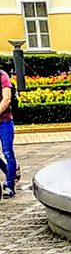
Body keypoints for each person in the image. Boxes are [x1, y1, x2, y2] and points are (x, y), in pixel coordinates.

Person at [0, 68, 17, 198]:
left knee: (8, 152)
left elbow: (7, 99)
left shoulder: (2, 76)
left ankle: (9, 185)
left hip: (5, 122)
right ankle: (10, 172)